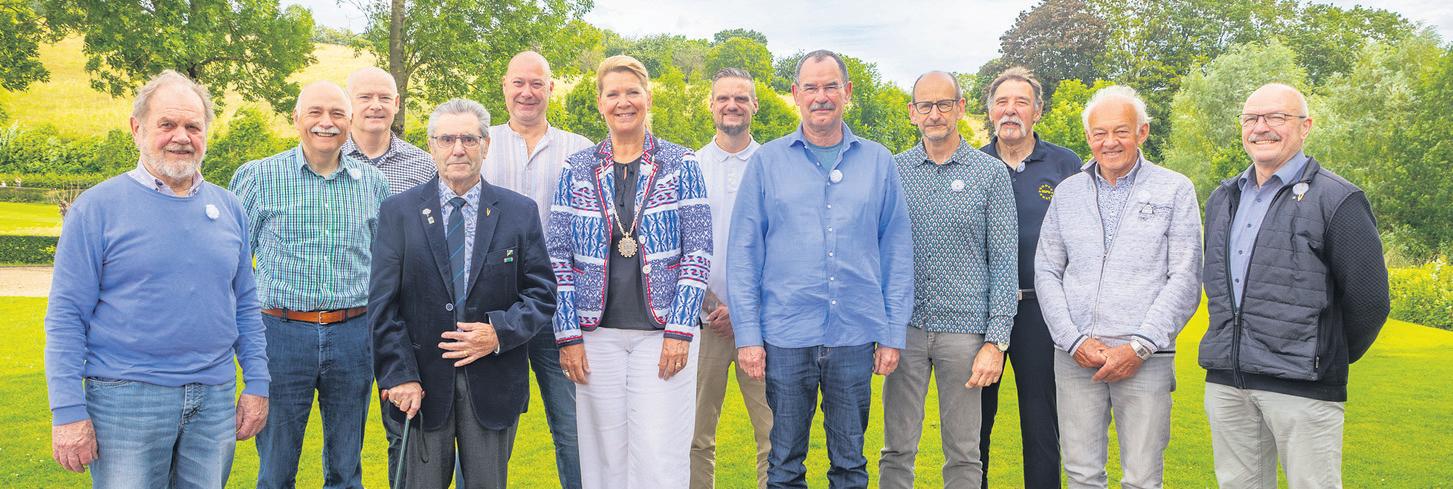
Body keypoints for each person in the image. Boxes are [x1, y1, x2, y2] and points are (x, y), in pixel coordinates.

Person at [44, 70, 269, 487]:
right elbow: (66, 316)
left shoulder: (229, 207)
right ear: (137, 128)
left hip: (213, 398)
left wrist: (257, 383)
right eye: (167, 124)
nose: (181, 137)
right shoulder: (96, 209)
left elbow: (245, 305)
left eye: (193, 127)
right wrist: (68, 411)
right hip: (125, 399)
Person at [728, 49, 913, 489]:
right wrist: (748, 336)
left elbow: (896, 252)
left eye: (831, 86)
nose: (821, 96)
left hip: (854, 335)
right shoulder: (767, 163)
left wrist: (892, 333)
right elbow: (744, 253)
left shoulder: (878, 162)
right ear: (796, 94)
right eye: (811, 87)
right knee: (784, 465)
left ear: (847, 92)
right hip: (785, 335)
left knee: (850, 464)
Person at [1199, 83, 1389, 489]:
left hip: (1303, 385)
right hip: (1228, 382)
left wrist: (1324, 352)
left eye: (1276, 117)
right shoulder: (1223, 198)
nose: (1261, 127)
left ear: (1305, 127)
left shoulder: (1338, 198)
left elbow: (1369, 300)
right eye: (1251, 118)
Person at [370, 98, 556, 488]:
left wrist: (498, 332)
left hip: (492, 384)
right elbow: (383, 307)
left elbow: (541, 294)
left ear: (486, 145)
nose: (458, 149)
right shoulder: (398, 212)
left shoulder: (518, 212)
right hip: (420, 386)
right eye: (447, 139)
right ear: (431, 145)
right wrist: (400, 375)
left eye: (469, 139)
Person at [548, 55, 713, 489]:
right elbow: (557, 256)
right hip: (595, 334)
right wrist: (567, 336)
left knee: (659, 456)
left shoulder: (681, 162)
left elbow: (698, 251)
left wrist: (681, 330)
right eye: (613, 94)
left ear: (648, 98)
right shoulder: (577, 168)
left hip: (663, 334)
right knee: (603, 457)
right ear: (600, 103)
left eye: (632, 92)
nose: (624, 102)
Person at [1035, 85, 1202, 489]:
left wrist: (1140, 346)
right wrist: (1073, 340)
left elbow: (1185, 277)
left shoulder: (1174, 189)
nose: (1110, 142)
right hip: (1076, 358)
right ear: (1088, 136)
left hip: (1145, 358)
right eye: (1100, 133)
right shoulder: (1068, 193)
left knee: (1142, 478)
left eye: (1121, 131)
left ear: (1142, 132)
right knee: (1081, 475)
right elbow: (1047, 270)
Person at [231, 80, 390, 489]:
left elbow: (385, 265)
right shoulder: (258, 177)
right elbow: (231, 263)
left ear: (350, 122)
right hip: (281, 334)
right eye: (315, 112)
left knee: (346, 468)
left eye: (337, 114)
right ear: (296, 118)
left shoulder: (372, 183)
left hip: (353, 334)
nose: (326, 122)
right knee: (276, 467)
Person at [879, 70, 1017, 489]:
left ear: (960, 108)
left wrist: (996, 341)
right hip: (905, 330)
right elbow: (878, 253)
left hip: (966, 335)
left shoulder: (990, 174)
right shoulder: (893, 172)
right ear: (912, 112)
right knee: (896, 450)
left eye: (944, 104)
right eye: (926, 105)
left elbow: (1004, 262)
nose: (935, 114)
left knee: (964, 453)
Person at [483, 51, 593, 489]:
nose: (526, 92)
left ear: (551, 88)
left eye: (536, 83)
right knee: (487, 430)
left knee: (573, 429)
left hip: (558, 308)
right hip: (494, 310)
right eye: (518, 83)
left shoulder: (579, 150)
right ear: (504, 87)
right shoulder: (481, 143)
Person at [976, 66, 1082, 489]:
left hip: (1041, 311)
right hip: (981, 314)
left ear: (1038, 111)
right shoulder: (974, 164)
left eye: (1021, 102)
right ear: (989, 111)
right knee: (974, 425)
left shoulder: (1065, 164)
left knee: (1041, 425)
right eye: (1001, 102)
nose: (1010, 110)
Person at [690, 67, 773, 489]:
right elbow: (680, 245)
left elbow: (784, 247)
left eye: (741, 98)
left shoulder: (774, 164)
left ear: (754, 105)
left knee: (773, 434)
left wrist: (742, 311)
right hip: (702, 322)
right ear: (711, 105)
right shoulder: (690, 166)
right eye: (723, 98)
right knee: (695, 435)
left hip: (761, 325)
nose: (732, 105)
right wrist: (711, 304)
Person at [342, 66, 436, 196]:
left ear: (396, 103)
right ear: (347, 103)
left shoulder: (425, 166)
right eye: (365, 97)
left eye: (385, 98)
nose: (376, 106)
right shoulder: (327, 159)